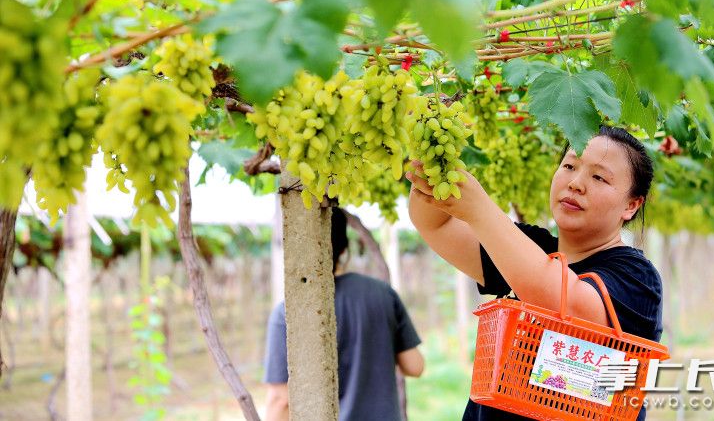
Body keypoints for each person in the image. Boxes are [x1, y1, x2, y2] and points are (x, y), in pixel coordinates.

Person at [406, 125, 663, 421]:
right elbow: (437, 225)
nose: (576, 183)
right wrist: (435, 175)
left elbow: (561, 303)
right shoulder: (530, 249)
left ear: (631, 205)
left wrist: (480, 209)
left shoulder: (636, 277)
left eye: (598, 177)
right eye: (569, 166)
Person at [263, 206, 425, 421]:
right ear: (344, 249)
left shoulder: (288, 313)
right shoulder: (383, 293)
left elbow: (280, 399)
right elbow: (415, 366)